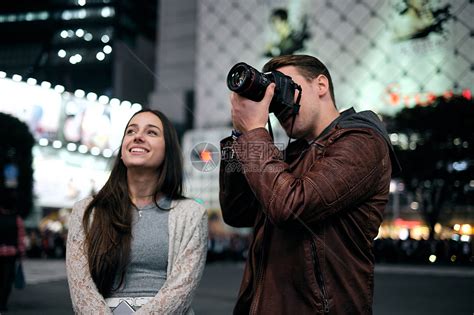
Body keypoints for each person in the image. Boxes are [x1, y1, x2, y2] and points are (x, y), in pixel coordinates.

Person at [219, 55, 401, 314]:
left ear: (321, 85)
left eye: (286, 88)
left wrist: (254, 133)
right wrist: (240, 134)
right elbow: (238, 212)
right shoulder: (292, 156)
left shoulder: (363, 141)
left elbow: (290, 206)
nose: (281, 104)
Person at [66, 109, 208, 314]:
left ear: (168, 151)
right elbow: (81, 290)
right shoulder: (86, 211)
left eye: (151, 132)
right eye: (131, 131)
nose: (138, 137)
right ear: (122, 152)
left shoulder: (192, 213)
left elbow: (181, 290)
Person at [0, 207, 26, 312]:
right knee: (7, 279)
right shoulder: (17, 219)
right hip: (11, 253)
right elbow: (21, 237)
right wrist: (21, 252)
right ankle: (3, 303)